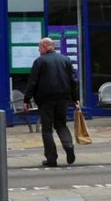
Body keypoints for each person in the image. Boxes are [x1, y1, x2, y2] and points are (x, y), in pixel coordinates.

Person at [23, 37, 79, 167]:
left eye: (39, 47)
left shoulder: (39, 61)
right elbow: (73, 81)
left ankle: (51, 158)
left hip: (46, 99)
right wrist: (75, 98)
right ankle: (68, 145)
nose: (39, 50)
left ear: (45, 46)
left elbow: (33, 82)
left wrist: (27, 100)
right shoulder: (65, 60)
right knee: (61, 124)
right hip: (63, 98)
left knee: (47, 129)